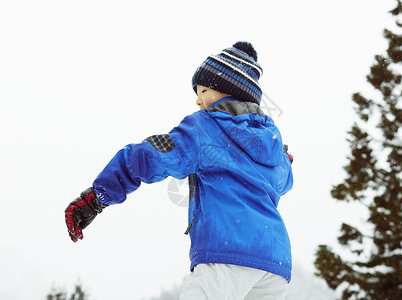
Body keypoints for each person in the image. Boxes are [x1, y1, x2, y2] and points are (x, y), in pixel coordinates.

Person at [65, 41, 294, 299]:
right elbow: (284, 181)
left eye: (204, 90)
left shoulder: (204, 127)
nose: (197, 100)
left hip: (226, 252)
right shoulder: (271, 141)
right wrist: (285, 161)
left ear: (228, 91)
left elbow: (149, 156)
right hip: (275, 263)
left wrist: (97, 196)